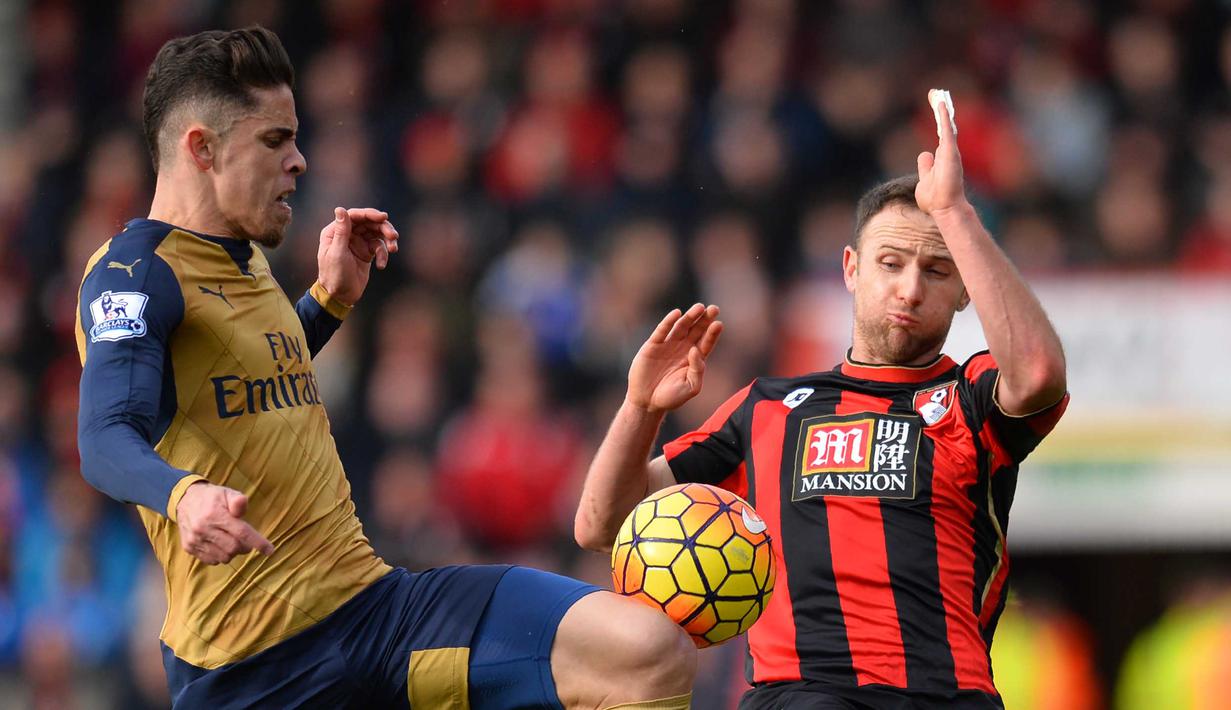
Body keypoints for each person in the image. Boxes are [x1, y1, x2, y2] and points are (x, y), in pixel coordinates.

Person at [75, 27, 695, 709]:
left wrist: (328, 303)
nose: (299, 161)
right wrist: (184, 494)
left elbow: (241, 385)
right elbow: (105, 434)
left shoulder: (243, 257)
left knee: (642, 653)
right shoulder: (132, 277)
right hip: (256, 673)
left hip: (374, 614)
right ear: (202, 147)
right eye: (275, 141)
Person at [575, 96, 1069, 709]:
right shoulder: (767, 408)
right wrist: (641, 408)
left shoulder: (970, 398)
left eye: (937, 271)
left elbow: (1040, 373)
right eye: (890, 264)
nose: (910, 289)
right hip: (802, 696)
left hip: (946, 697)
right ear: (851, 270)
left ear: (964, 290)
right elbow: (600, 524)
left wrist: (955, 213)